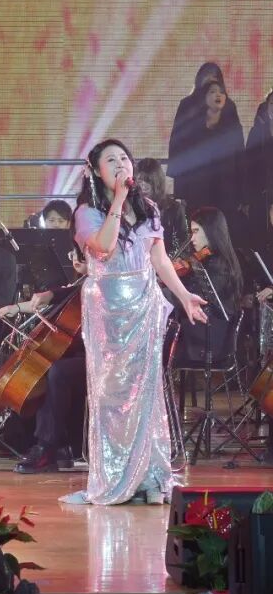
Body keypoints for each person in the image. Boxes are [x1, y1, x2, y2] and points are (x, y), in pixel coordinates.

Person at [62, 139, 206, 506]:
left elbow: (159, 260)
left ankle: (150, 476)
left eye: (124, 158)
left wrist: (184, 296)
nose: (120, 164)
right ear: (96, 172)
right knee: (112, 394)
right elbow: (104, 247)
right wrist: (119, 201)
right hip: (107, 310)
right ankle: (115, 476)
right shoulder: (86, 212)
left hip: (144, 304)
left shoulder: (149, 208)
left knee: (146, 392)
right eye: (111, 160)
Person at [0, 250, 89, 473]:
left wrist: (52, 294)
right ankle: (60, 446)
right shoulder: (83, 284)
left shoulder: (103, 283)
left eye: (82, 253)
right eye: (73, 253)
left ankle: (47, 446)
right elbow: (64, 294)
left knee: (58, 371)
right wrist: (18, 307)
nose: (75, 259)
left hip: (109, 359)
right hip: (85, 355)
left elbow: (73, 293)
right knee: (49, 368)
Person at [166, 76, 245, 235]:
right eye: (213, 92)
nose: (218, 95)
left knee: (222, 232)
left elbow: (241, 160)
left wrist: (241, 195)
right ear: (204, 98)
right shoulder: (193, 126)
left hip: (225, 190)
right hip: (198, 189)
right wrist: (181, 192)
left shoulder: (232, 124)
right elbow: (183, 157)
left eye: (222, 92)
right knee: (198, 229)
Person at [171, 207, 242, 370]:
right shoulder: (207, 260)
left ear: (211, 231)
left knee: (159, 338)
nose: (192, 238)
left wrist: (172, 284)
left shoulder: (219, 265)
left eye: (196, 231)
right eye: (191, 232)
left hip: (211, 338)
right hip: (202, 329)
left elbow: (196, 300)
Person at [134, 158, 188, 256]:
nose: (143, 187)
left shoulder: (174, 208)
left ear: (158, 182)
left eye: (148, 181)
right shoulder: (131, 207)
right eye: (140, 181)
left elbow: (183, 243)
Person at [243, 89, 273, 241]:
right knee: (260, 235)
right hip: (261, 193)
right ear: (266, 106)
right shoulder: (257, 133)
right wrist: (247, 197)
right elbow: (248, 166)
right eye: (272, 103)